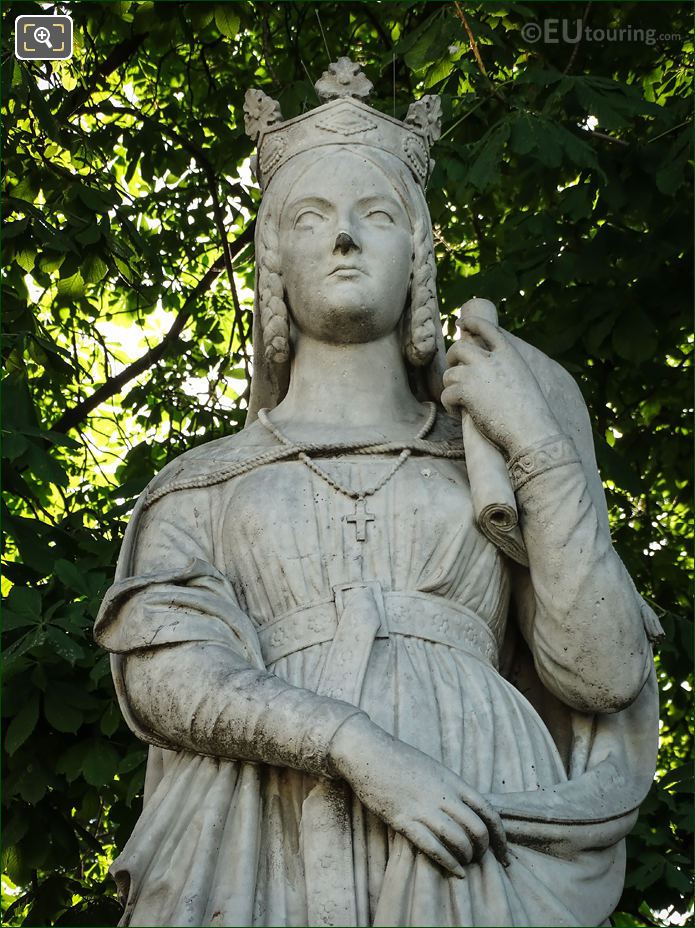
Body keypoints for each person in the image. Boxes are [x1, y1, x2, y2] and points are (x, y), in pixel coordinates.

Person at [95, 59, 661, 928]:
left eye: (378, 215)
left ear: (418, 260)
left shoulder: (492, 454)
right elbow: (167, 678)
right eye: (311, 219)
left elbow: (603, 672)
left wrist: (538, 444)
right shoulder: (201, 483)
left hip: (480, 807)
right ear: (274, 264)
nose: (345, 239)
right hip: (259, 818)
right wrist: (354, 746)